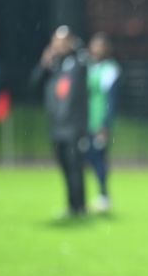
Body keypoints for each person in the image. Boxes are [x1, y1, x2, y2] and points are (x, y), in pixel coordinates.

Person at [31, 25, 89, 217]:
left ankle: (80, 207)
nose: (58, 45)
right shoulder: (54, 66)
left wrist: (75, 46)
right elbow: (34, 84)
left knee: (75, 168)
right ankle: (72, 206)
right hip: (56, 126)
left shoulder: (78, 61)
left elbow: (84, 60)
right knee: (64, 167)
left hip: (73, 126)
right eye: (56, 41)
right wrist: (43, 64)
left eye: (62, 41)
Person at [85, 32, 121, 213]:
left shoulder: (110, 69)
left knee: (98, 158)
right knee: (86, 158)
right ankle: (84, 198)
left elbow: (111, 99)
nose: (96, 49)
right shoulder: (88, 67)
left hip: (99, 122)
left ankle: (104, 195)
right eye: (94, 45)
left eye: (100, 46)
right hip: (84, 121)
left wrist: (105, 124)